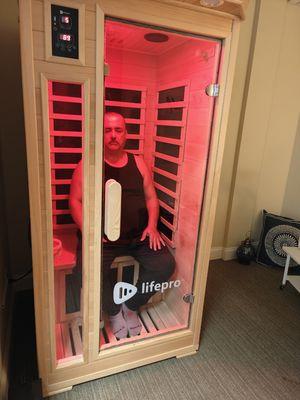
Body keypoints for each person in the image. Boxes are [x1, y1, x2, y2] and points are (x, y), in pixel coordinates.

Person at [69, 112, 175, 339]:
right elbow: (75, 201)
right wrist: (90, 233)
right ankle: (114, 310)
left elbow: (151, 198)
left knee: (165, 264)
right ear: (100, 135)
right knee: (87, 271)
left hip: (137, 236)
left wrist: (153, 226)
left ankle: (131, 305)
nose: (113, 136)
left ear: (126, 134)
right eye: (107, 131)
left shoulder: (138, 162)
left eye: (118, 130)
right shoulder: (88, 164)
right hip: (103, 239)